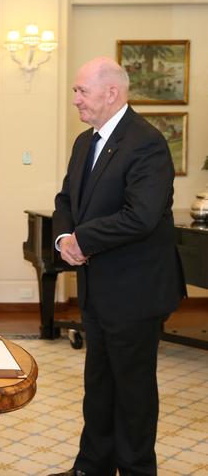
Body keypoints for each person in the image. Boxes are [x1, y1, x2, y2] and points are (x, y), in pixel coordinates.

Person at [50, 57, 186, 476]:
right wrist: (62, 239)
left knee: (133, 393)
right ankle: (91, 466)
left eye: (81, 91)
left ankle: (135, 469)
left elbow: (141, 216)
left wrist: (83, 240)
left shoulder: (146, 142)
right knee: (99, 387)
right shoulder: (83, 141)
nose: (75, 99)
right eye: (75, 91)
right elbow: (66, 201)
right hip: (98, 288)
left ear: (111, 92)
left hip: (135, 291)